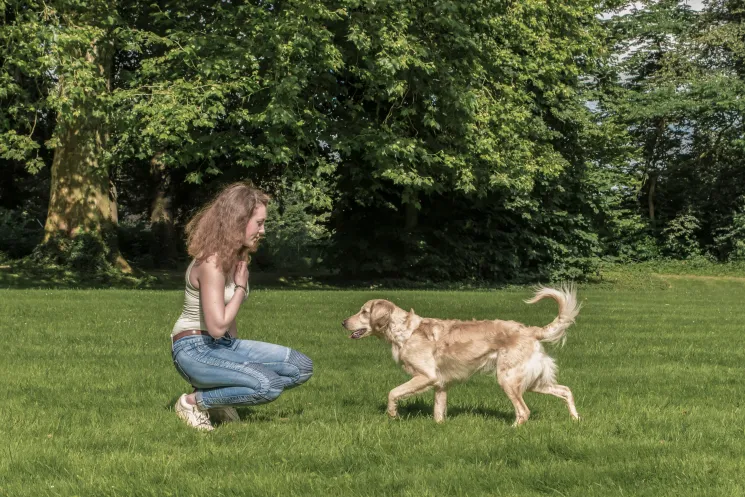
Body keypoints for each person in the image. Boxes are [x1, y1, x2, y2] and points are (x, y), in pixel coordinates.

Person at [170, 182, 313, 431]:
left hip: (221, 345)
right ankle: (194, 402)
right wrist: (239, 288)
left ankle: (221, 395)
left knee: (300, 367)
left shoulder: (233, 257)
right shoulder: (211, 262)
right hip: (193, 349)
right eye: (259, 223)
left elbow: (226, 328)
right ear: (238, 221)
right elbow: (216, 327)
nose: (263, 230)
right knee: (268, 385)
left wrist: (236, 357)